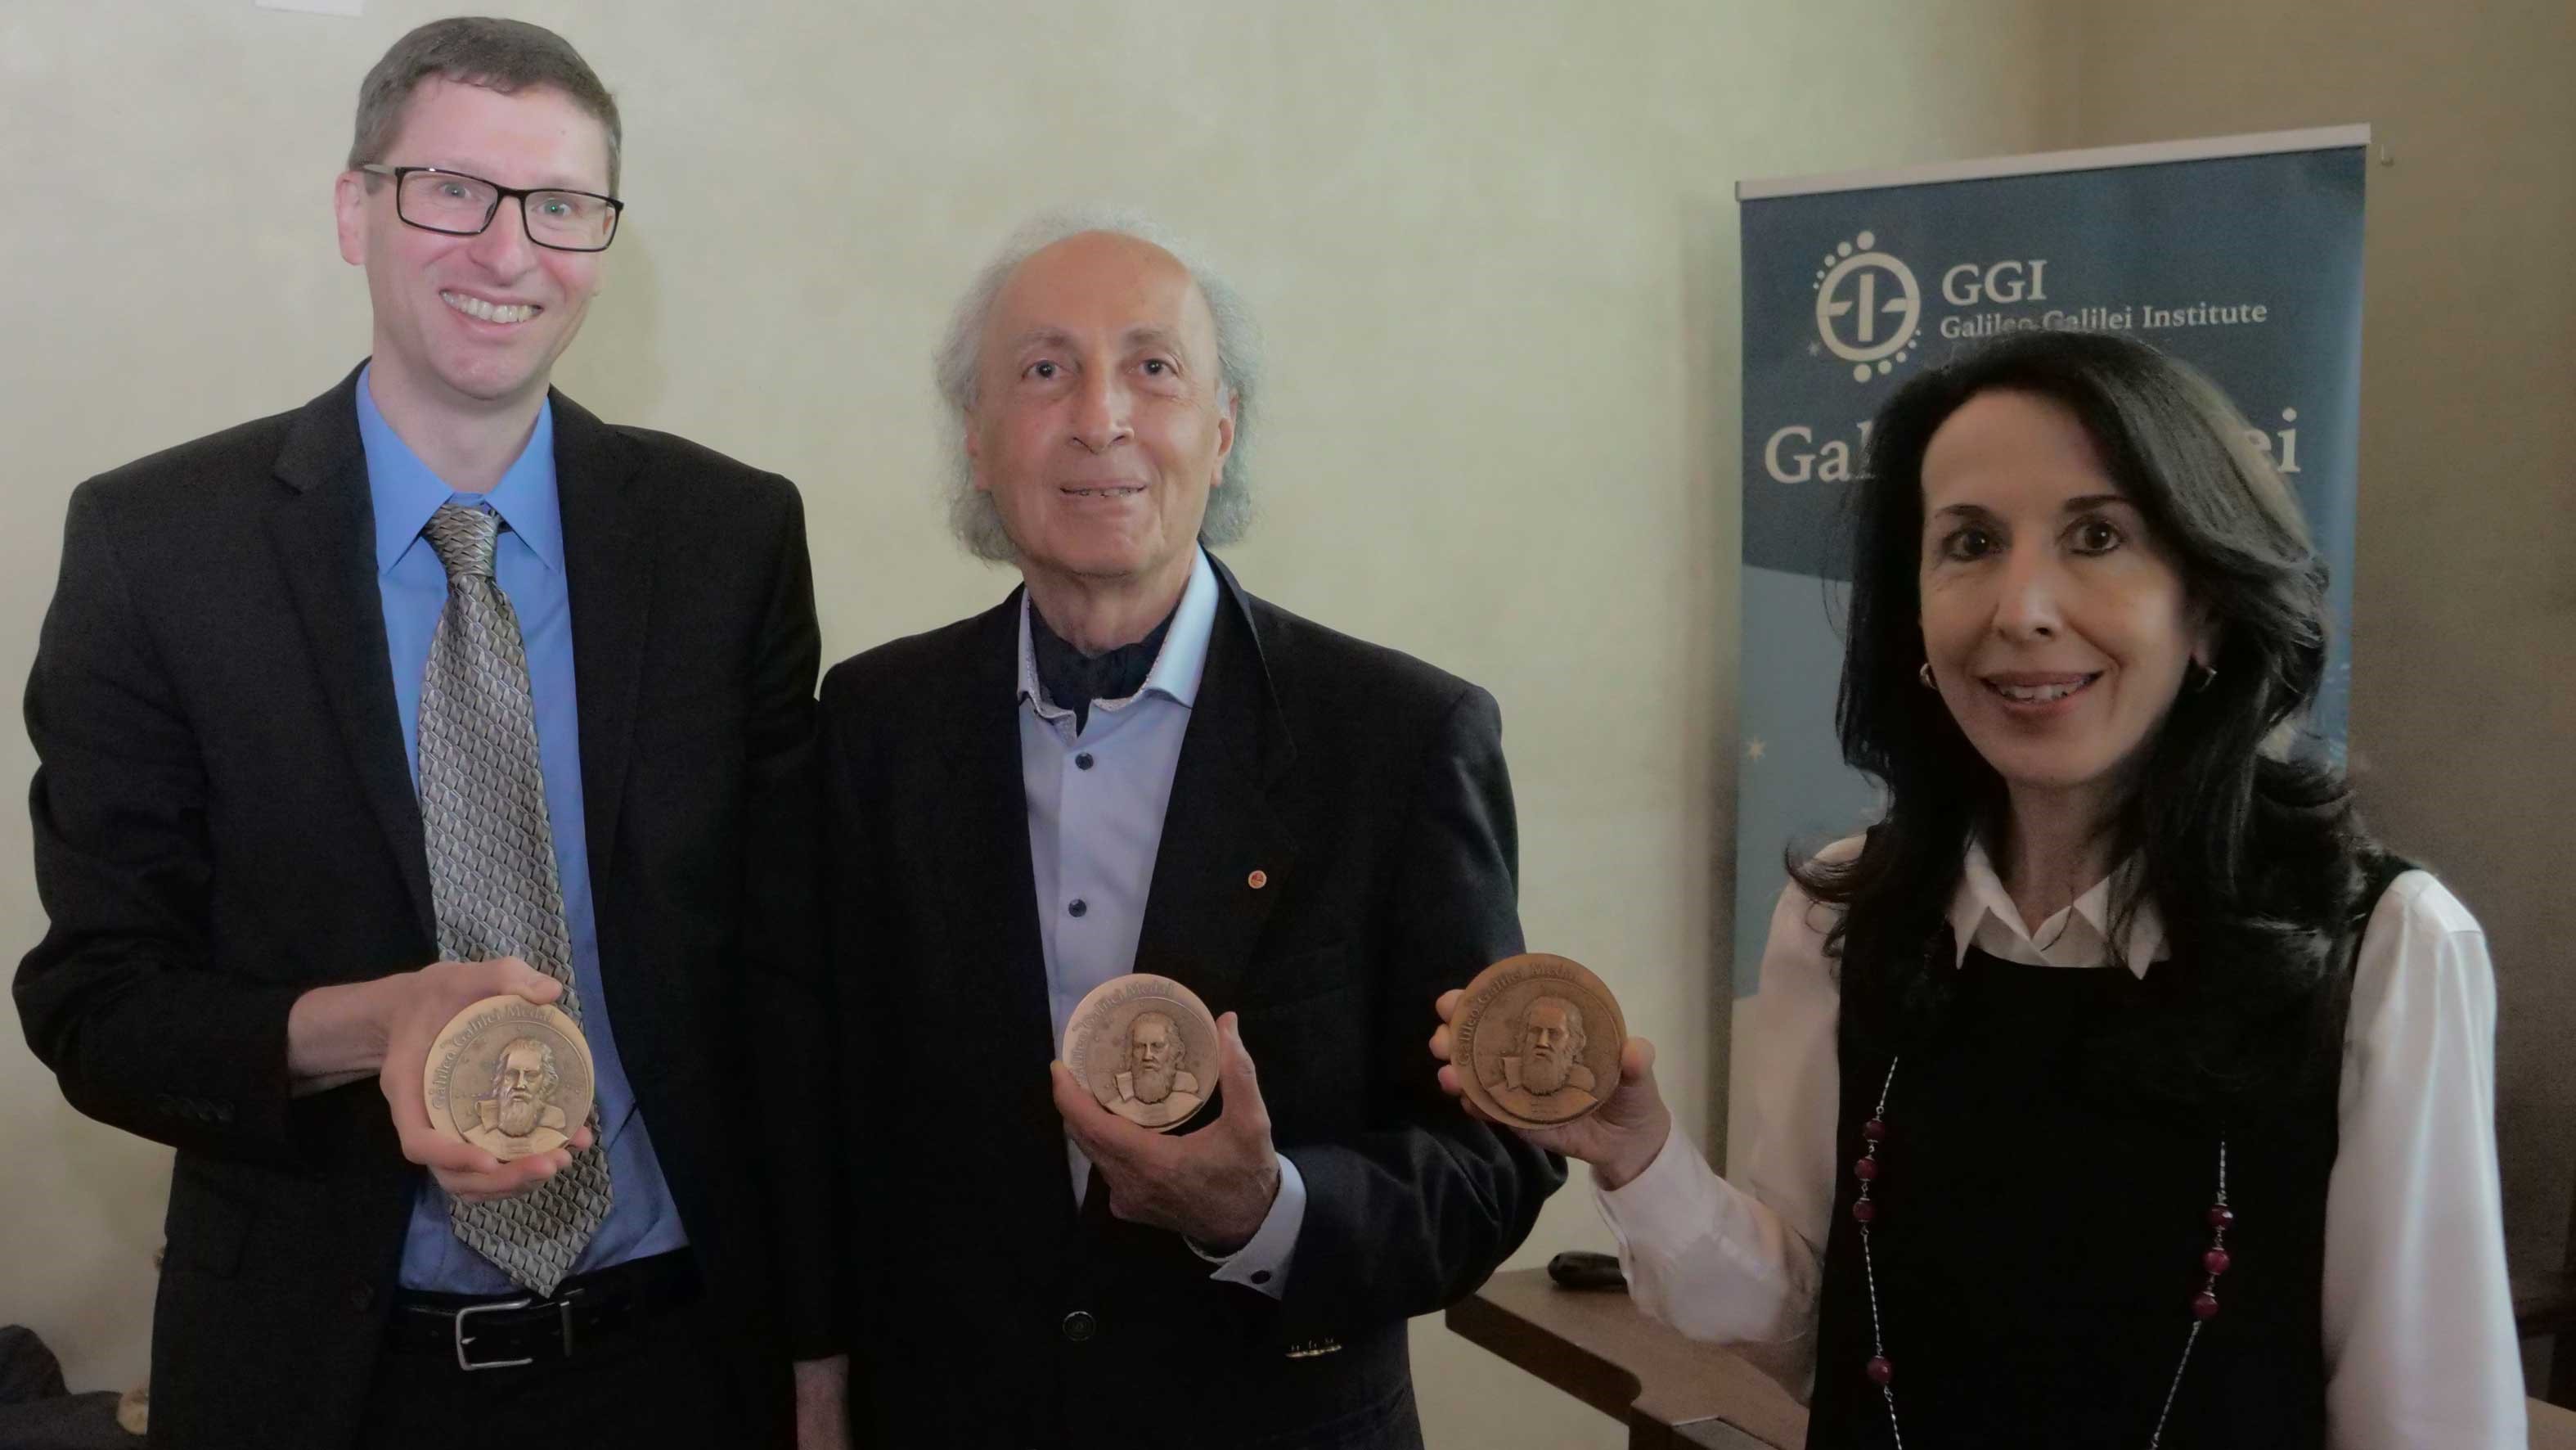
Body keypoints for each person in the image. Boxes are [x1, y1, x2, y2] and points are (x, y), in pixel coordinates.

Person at [1435, 331, 2524, 1448]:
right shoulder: (1843, 912)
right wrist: (1642, 1156)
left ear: (2206, 601)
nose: (2022, 609)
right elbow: (1813, 1330)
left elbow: (2429, 1419)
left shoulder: (2383, 945)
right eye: (1969, 543)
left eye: (2097, 536)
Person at [14, 18, 838, 1448]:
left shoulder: (728, 541)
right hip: (325, 1378)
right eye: (451, 189)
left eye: (560, 206)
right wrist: (366, 1024)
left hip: (679, 1359)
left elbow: (791, 987)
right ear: (358, 210)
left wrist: (822, 1360)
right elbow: (98, 1001)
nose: (507, 251)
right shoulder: (160, 548)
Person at [812, 210, 1562, 1448]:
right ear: (979, 441)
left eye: (1153, 368)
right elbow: (823, 1102)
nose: (1100, 416)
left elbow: (1496, 1156)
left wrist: (1265, 1210)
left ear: (1219, 435)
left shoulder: (1398, 737)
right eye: (1043, 370)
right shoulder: (874, 723)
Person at [1111, 1011, 1206, 1128]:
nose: (1147, 1056)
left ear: (1176, 1054)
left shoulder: (1190, 1105)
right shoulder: (1114, 1109)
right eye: (1139, 1047)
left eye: (1157, 1046)